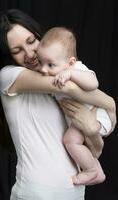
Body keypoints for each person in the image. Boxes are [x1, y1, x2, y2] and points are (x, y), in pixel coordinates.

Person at [0, 9, 116, 200]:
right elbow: (69, 88)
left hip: (74, 191)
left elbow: (95, 151)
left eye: (31, 42)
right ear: (9, 55)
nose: (29, 54)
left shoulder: (55, 85)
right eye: (17, 50)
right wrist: (111, 105)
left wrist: (90, 127)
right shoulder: (9, 76)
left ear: (41, 37)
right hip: (37, 192)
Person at [36, 26, 112, 186]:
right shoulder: (56, 72)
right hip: (81, 119)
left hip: (95, 115)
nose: (43, 69)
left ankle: (91, 171)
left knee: (70, 141)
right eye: (41, 62)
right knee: (83, 146)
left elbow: (93, 83)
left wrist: (71, 74)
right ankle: (97, 170)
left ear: (70, 62)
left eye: (50, 65)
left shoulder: (77, 69)